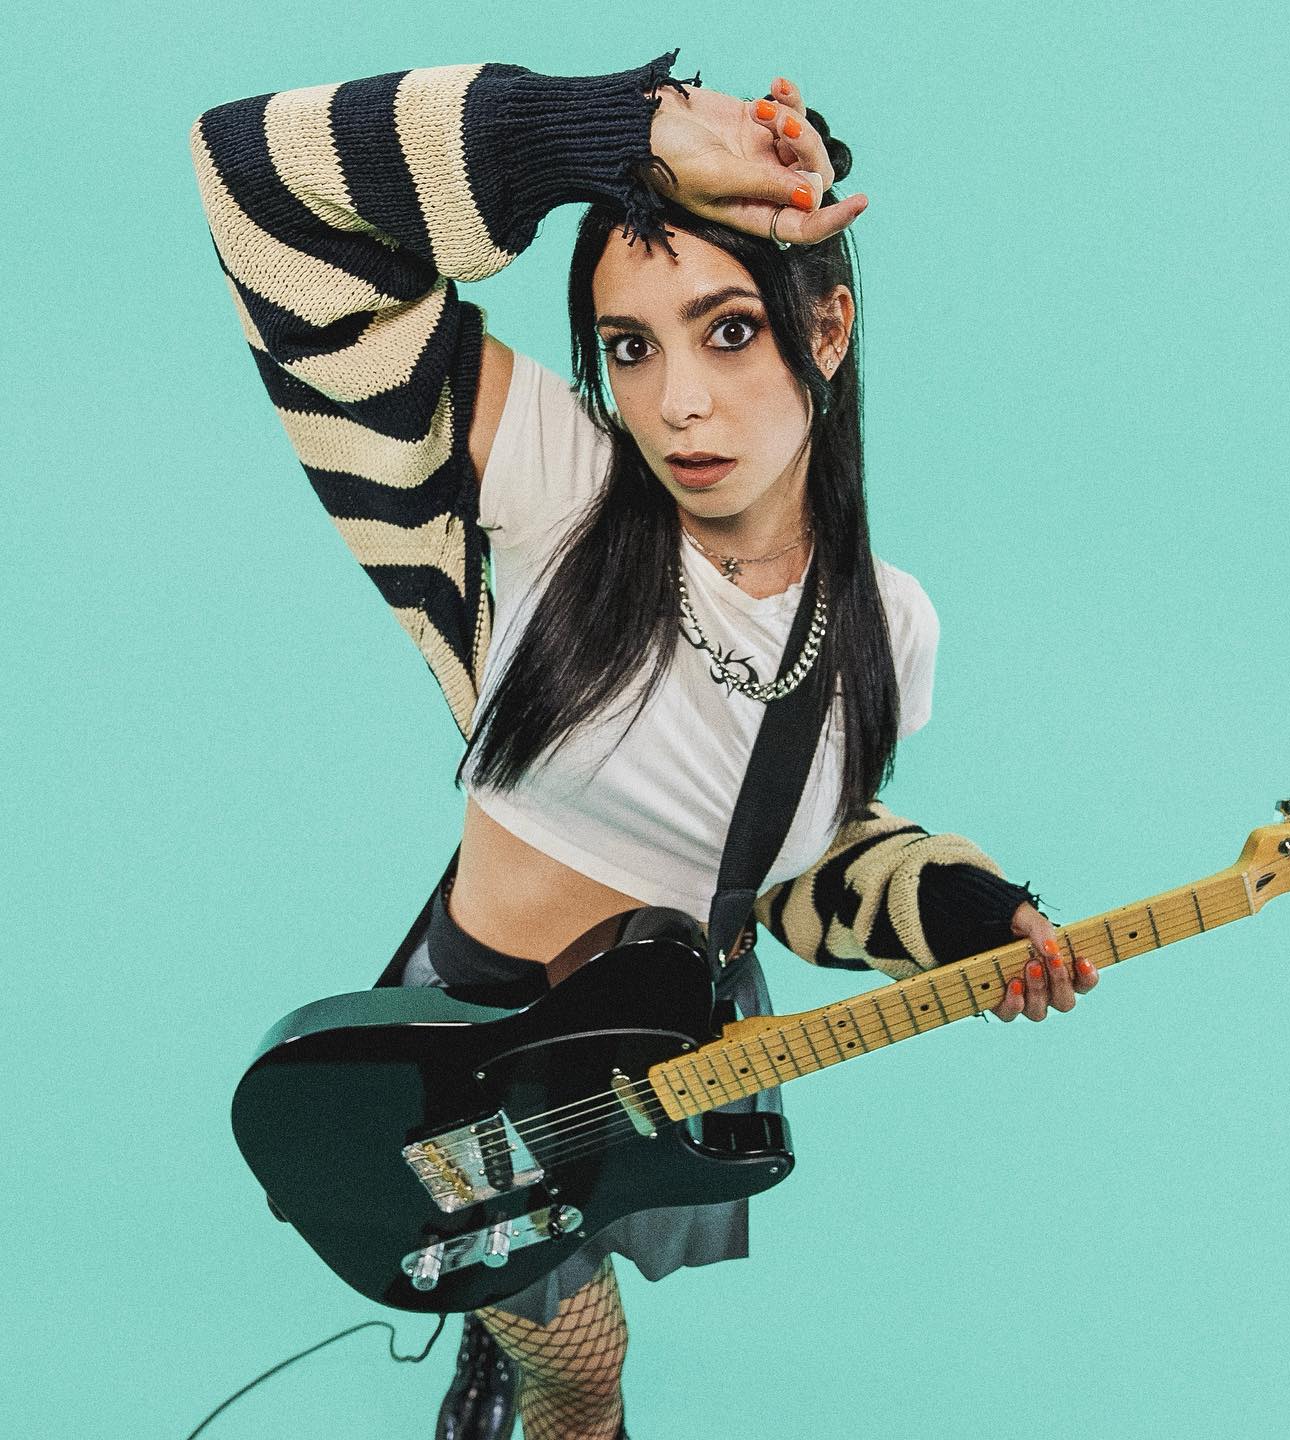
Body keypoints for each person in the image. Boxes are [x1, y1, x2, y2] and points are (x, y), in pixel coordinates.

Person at [189, 46, 1099, 1440]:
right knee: (584, 1370)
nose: (675, 402)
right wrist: (621, 129)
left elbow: (783, 865)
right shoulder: (554, 489)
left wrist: (964, 914)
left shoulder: (886, 625)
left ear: (828, 328)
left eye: (727, 332)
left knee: (581, 1326)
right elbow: (261, 182)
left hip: (671, 1045)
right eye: (630, 345)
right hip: (470, 1060)